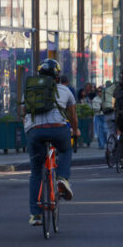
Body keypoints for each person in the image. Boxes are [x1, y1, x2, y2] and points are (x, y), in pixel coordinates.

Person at [23, 59, 80, 226]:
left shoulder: (29, 90)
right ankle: (62, 178)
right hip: (58, 129)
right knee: (65, 149)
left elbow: (23, 111)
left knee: (35, 172)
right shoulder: (66, 90)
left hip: (35, 132)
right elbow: (73, 117)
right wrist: (75, 131)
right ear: (57, 75)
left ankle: (36, 215)